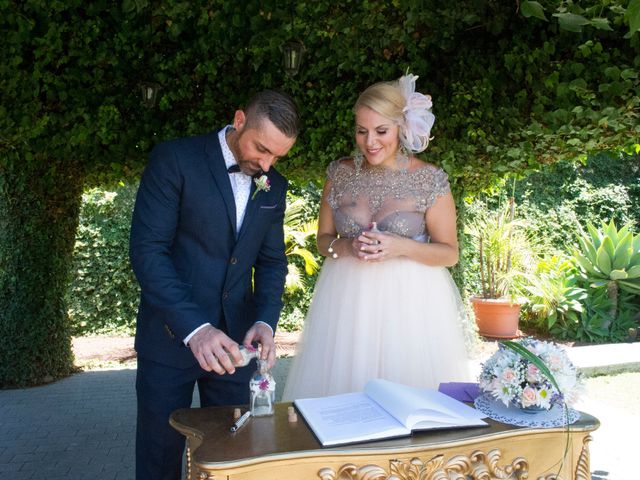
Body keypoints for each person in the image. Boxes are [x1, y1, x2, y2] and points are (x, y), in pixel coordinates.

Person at [129, 90, 299, 480]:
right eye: (261, 148)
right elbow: (148, 252)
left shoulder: (274, 185)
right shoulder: (174, 159)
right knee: (159, 456)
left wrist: (265, 322)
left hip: (235, 348)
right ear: (239, 119)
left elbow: (272, 263)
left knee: (232, 455)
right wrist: (196, 329)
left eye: (277, 156)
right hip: (169, 338)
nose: (266, 164)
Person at [283, 74, 471, 401]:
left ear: (401, 128)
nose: (370, 141)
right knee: (342, 397)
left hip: (409, 306)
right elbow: (323, 240)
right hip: (345, 302)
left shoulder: (429, 179)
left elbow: (450, 253)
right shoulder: (339, 174)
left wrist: (401, 246)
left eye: (381, 131)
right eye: (361, 131)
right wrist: (346, 245)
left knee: (408, 404)